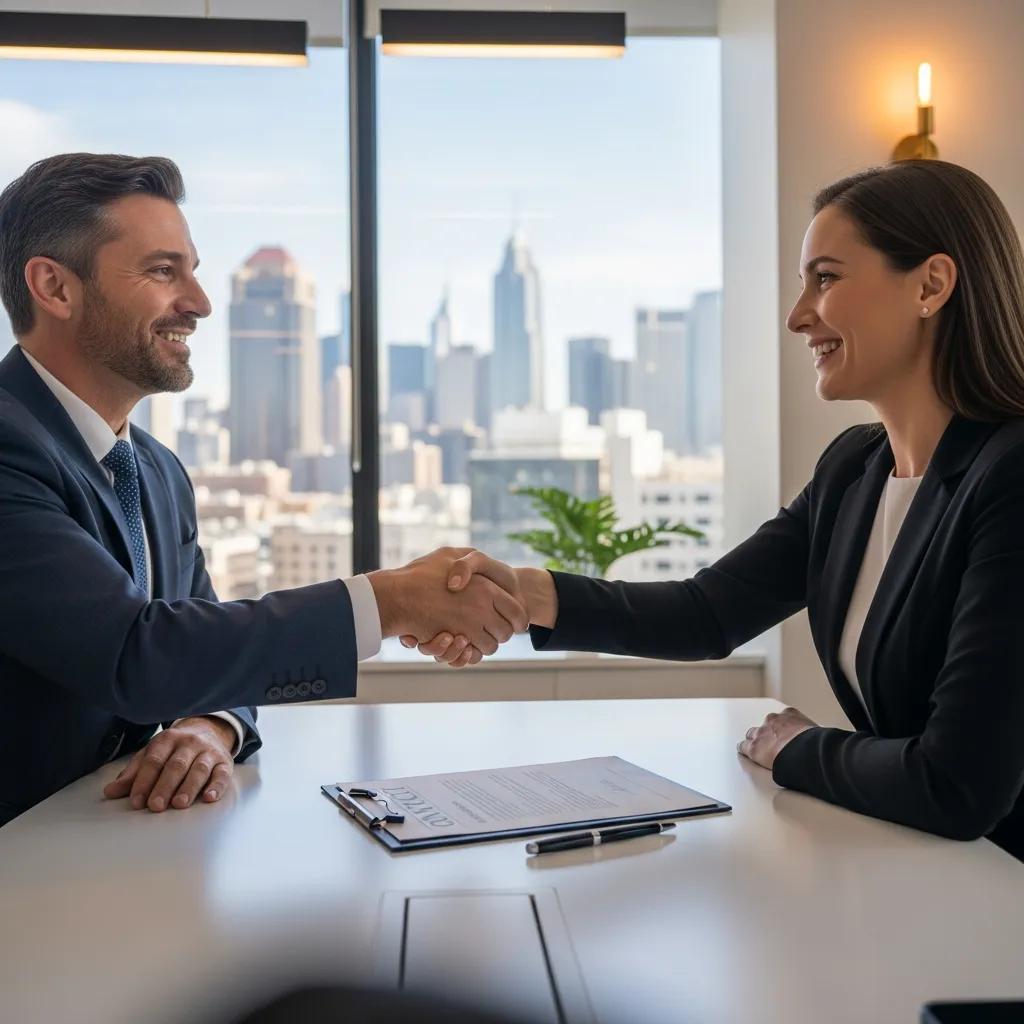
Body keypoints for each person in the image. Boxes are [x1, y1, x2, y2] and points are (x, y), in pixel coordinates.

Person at [415, 160, 1024, 861]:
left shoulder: (1010, 476)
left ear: (930, 285)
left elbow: (957, 786)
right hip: (931, 877)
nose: (799, 316)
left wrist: (799, 747)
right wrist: (523, 593)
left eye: (825, 278)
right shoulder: (853, 470)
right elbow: (707, 613)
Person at [0, 153, 526, 827]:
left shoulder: (156, 470)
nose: (200, 303)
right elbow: (135, 653)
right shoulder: (11, 448)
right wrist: (388, 601)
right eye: (164, 271)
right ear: (55, 287)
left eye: (193, 271)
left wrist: (209, 724)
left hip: (113, 859)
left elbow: (205, 646)